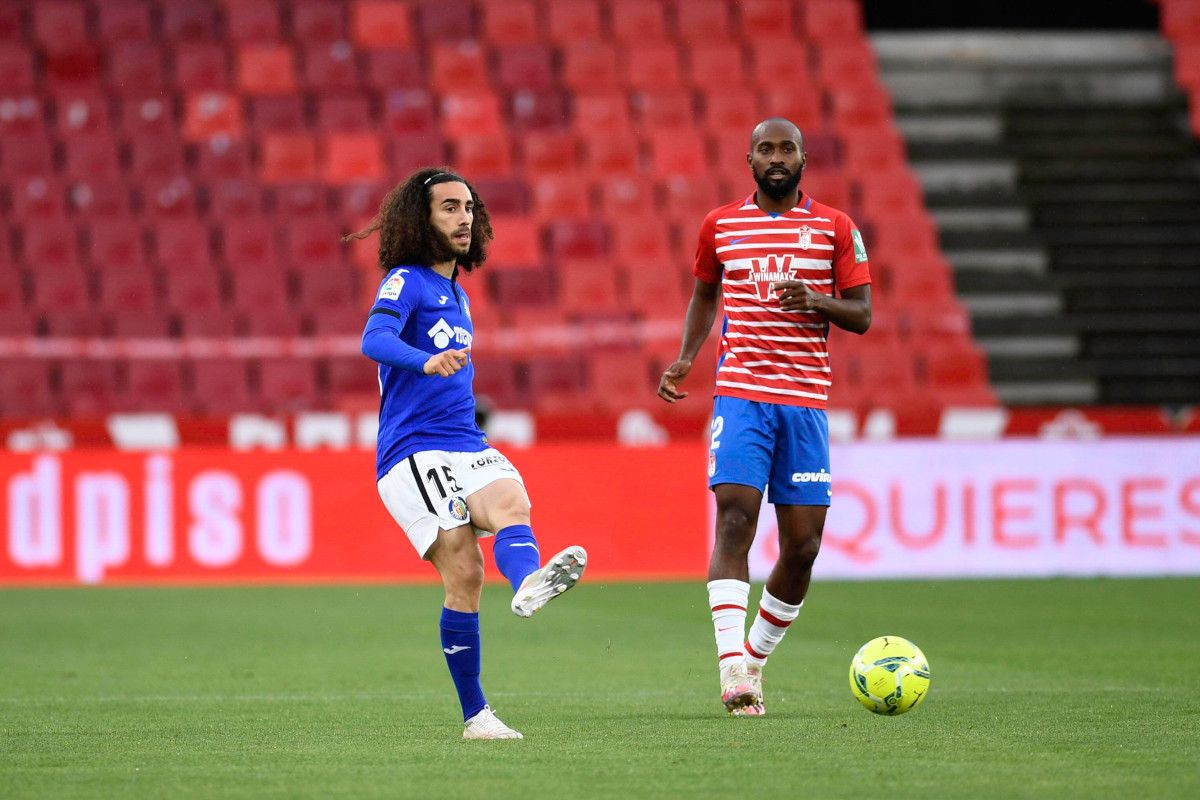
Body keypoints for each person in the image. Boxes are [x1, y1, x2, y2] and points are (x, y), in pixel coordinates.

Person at [350, 167, 587, 740]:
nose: (464, 218)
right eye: (449, 208)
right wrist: (422, 360)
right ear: (421, 219)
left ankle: (529, 581)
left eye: (468, 208)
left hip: (463, 441)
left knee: (511, 500)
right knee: (465, 571)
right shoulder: (405, 282)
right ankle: (475, 714)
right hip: (411, 451)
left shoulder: (458, 292)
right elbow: (372, 340)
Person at [657, 119, 872, 716]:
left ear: (804, 158)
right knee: (735, 520)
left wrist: (817, 301)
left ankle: (754, 658)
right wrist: (686, 358)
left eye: (787, 149)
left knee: (803, 547)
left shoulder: (836, 227)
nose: (776, 158)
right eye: (765, 149)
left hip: (805, 403)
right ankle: (731, 670)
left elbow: (862, 315)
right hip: (741, 393)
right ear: (748, 159)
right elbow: (705, 292)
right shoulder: (720, 224)